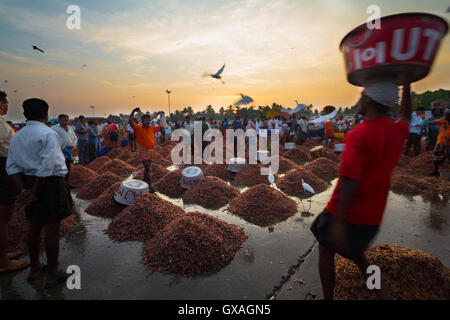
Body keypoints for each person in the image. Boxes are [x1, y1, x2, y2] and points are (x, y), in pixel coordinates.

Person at [310, 81, 412, 300]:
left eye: (361, 96)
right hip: (372, 217)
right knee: (359, 258)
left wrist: (337, 222)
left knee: (326, 248)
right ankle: (383, 295)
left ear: (368, 100)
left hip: (346, 214)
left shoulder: (359, 135)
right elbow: (405, 117)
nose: (358, 100)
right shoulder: (396, 132)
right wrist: (408, 85)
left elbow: (349, 181)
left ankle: (329, 298)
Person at [7, 98, 72, 288]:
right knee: (52, 229)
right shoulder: (48, 134)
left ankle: (35, 267)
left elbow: (11, 166)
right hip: (50, 183)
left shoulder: (16, 136)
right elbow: (47, 166)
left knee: (34, 226)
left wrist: (26, 189)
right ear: (46, 114)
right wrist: (35, 191)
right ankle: (52, 273)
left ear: (25, 114)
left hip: (27, 181)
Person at [0, 90, 30, 273]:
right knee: (2, 219)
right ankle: (2, 262)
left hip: (6, 167)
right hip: (3, 169)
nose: (7, 105)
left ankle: (2, 254)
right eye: (5, 102)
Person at [128, 108, 165, 191]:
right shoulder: (138, 128)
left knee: (147, 168)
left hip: (151, 150)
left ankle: (145, 181)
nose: (147, 122)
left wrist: (161, 115)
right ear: (142, 121)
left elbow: (162, 127)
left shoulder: (152, 128)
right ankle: (149, 184)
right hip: (143, 150)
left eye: (148, 120)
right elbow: (130, 122)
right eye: (145, 120)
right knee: (147, 168)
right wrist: (133, 111)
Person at [51, 114, 77, 185]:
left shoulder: (70, 128)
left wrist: (74, 146)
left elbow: (74, 138)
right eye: (63, 120)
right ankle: (61, 184)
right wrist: (61, 149)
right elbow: (52, 141)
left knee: (68, 167)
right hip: (59, 151)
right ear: (59, 120)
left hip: (69, 150)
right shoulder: (54, 129)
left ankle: (67, 183)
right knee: (60, 169)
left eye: (66, 120)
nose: (65, 121)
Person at [428, 110, 449, 178]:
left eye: (448, 115)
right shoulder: (443, 120)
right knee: (436, 155)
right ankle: (436, 171)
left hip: (448, 143)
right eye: (446, 115)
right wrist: (440, 122)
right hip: (440, 141)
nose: (446, 116)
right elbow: (429, 122)